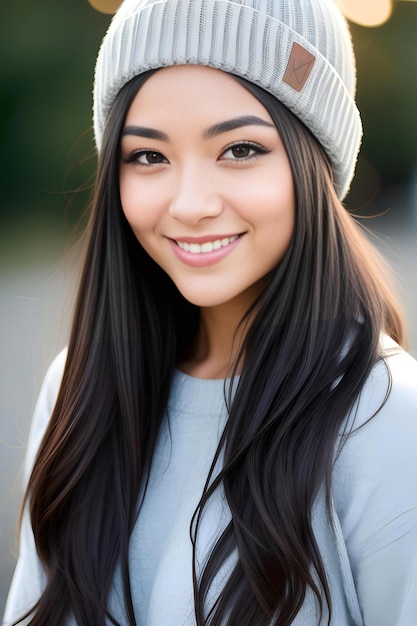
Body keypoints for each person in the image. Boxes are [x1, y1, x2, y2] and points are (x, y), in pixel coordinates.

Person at [3, 0, 417, 624]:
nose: (190, 203)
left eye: (241, 149)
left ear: (315, 164)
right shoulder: (78, 388)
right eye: (148, 157)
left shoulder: (386, 418)